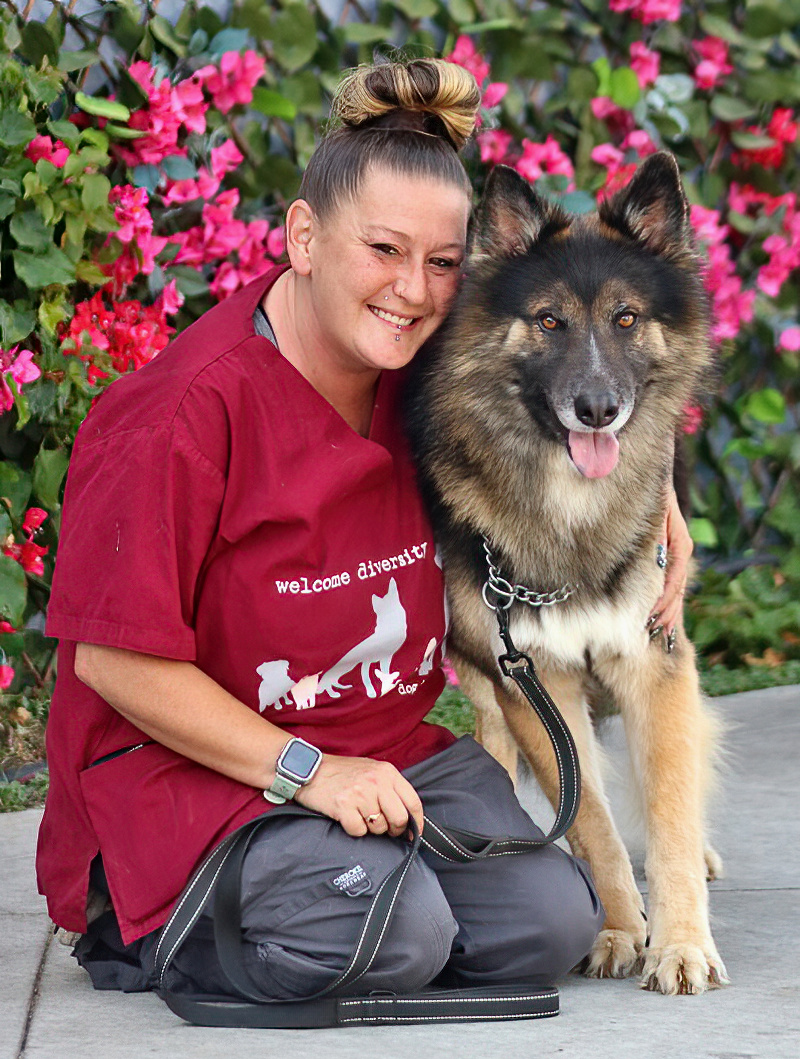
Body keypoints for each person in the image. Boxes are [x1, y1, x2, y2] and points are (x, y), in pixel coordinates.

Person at [36, 57, 692, 1001]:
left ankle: (345, 893)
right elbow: (111, 662)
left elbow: (587, 396)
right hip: (196, 777)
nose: (413, 291)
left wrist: (657, 496)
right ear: (303, 236)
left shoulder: (424, 378)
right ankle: (160, 929)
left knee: (553, 921)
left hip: (377, 758)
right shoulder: (178, 418)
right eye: (383, 250)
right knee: (401, 935)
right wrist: (311, 775)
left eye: (442, 263)